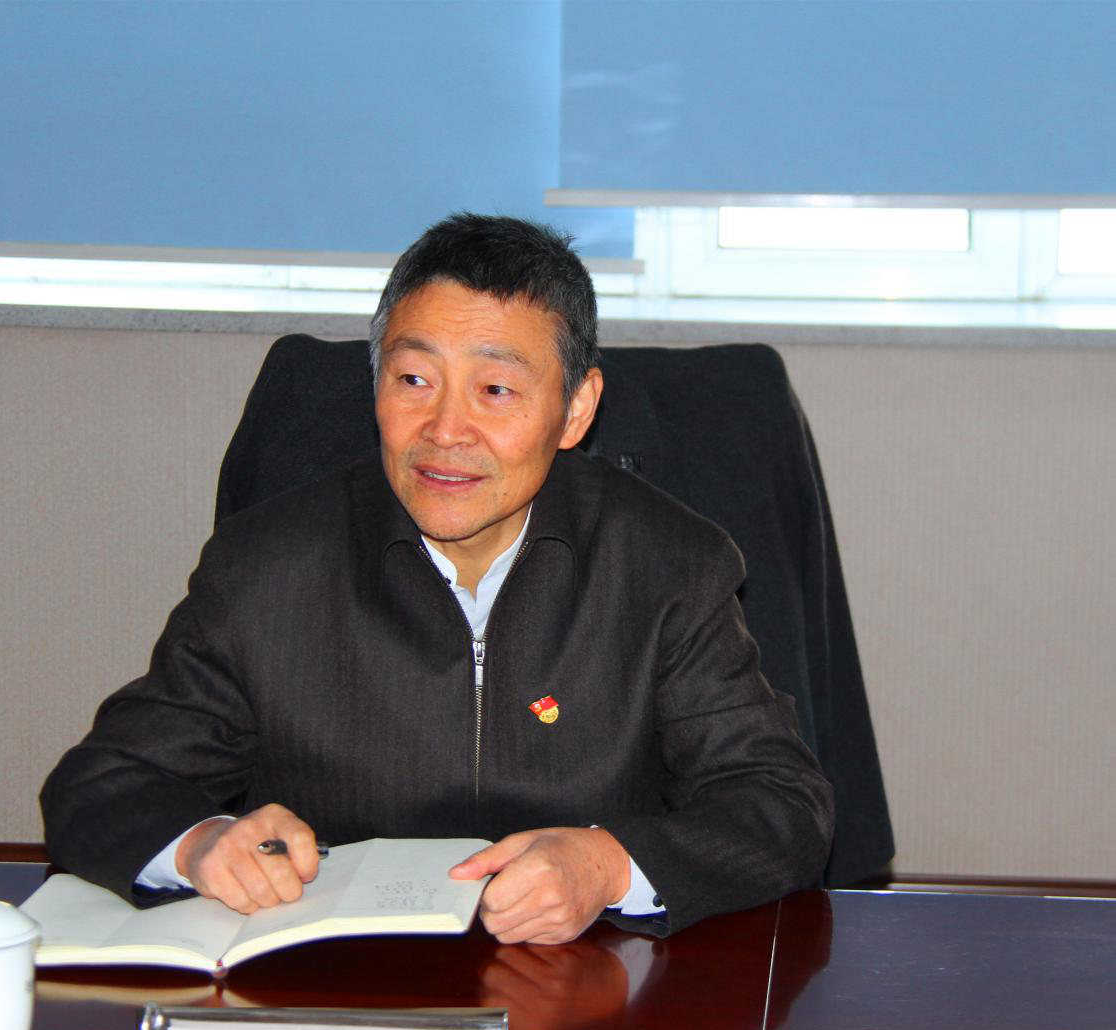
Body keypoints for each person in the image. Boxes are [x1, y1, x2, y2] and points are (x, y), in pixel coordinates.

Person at [40, 213, 833, 945]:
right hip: (336, 991)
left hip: (588, 989)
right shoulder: (266, 569)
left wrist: (608, 864)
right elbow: (102, 783)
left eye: (496, 390)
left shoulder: (667, 566)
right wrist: (202, 842)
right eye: (414, 380)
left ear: (575, 409)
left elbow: (781, 802)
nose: (446, 431)